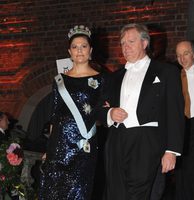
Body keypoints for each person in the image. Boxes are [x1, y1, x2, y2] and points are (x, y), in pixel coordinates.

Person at [98, 23, 185, 200]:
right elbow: (99, 107)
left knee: (139, 195)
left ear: (144, 43)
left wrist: (171, 151)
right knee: (115, 193)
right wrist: (110, 113)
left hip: (147, 140)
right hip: (117, 140)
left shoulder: (166, 71)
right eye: (122, 43)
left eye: (131, 41)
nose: (125, 47)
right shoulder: (115, 76)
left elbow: (175, 113)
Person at [39, 25, 107, 200]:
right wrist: (49, 148)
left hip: (83, 146)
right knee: (53, 192)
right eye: (75, 47)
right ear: (69, 51)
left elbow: (102, 113)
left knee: (79, 193)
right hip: (59, 146)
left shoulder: (101, 79)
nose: (79, 51)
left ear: (90, 50)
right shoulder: (59, 80)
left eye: (83, 46)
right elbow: (55, 114)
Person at [175, 40, 194, 200]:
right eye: (178, 55)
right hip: (181, 126)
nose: (182, 58)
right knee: (181, 170)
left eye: (186, 53)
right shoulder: (173, 76)